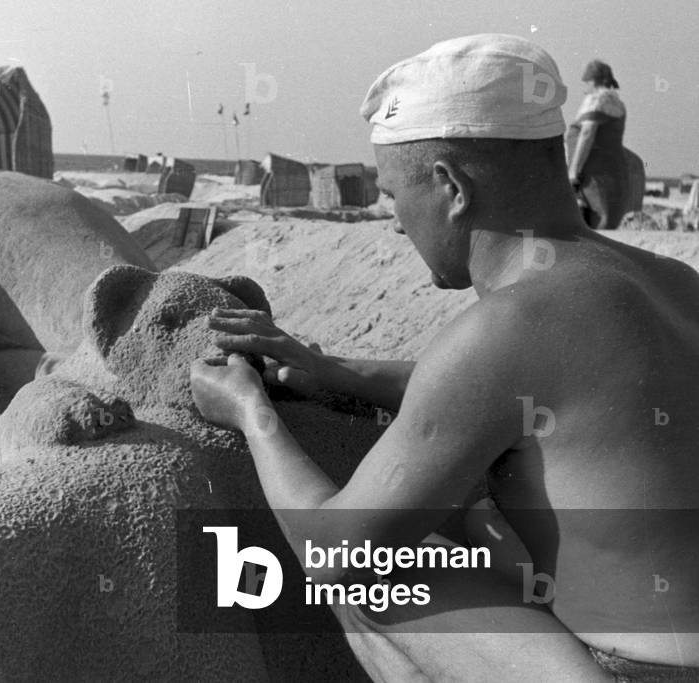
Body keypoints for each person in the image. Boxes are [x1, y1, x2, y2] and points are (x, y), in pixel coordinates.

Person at [190, 34, 699, 682]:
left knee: (373, 575)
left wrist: (249, 413)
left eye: (392, 194)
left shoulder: (508, 324)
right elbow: (533, 394)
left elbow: (331, 552)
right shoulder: (671, 283)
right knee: (470, 515)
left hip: (635, 672)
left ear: (449, 185)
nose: (396, 223)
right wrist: (335, 371)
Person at [567, 59, 629, 230]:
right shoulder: (618, 103)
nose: (584, 89)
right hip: (612, 172)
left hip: (591, 175)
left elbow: (587, 134)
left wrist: (574, 170)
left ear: (592, 81)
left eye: (585, 83)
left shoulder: (595, 100)